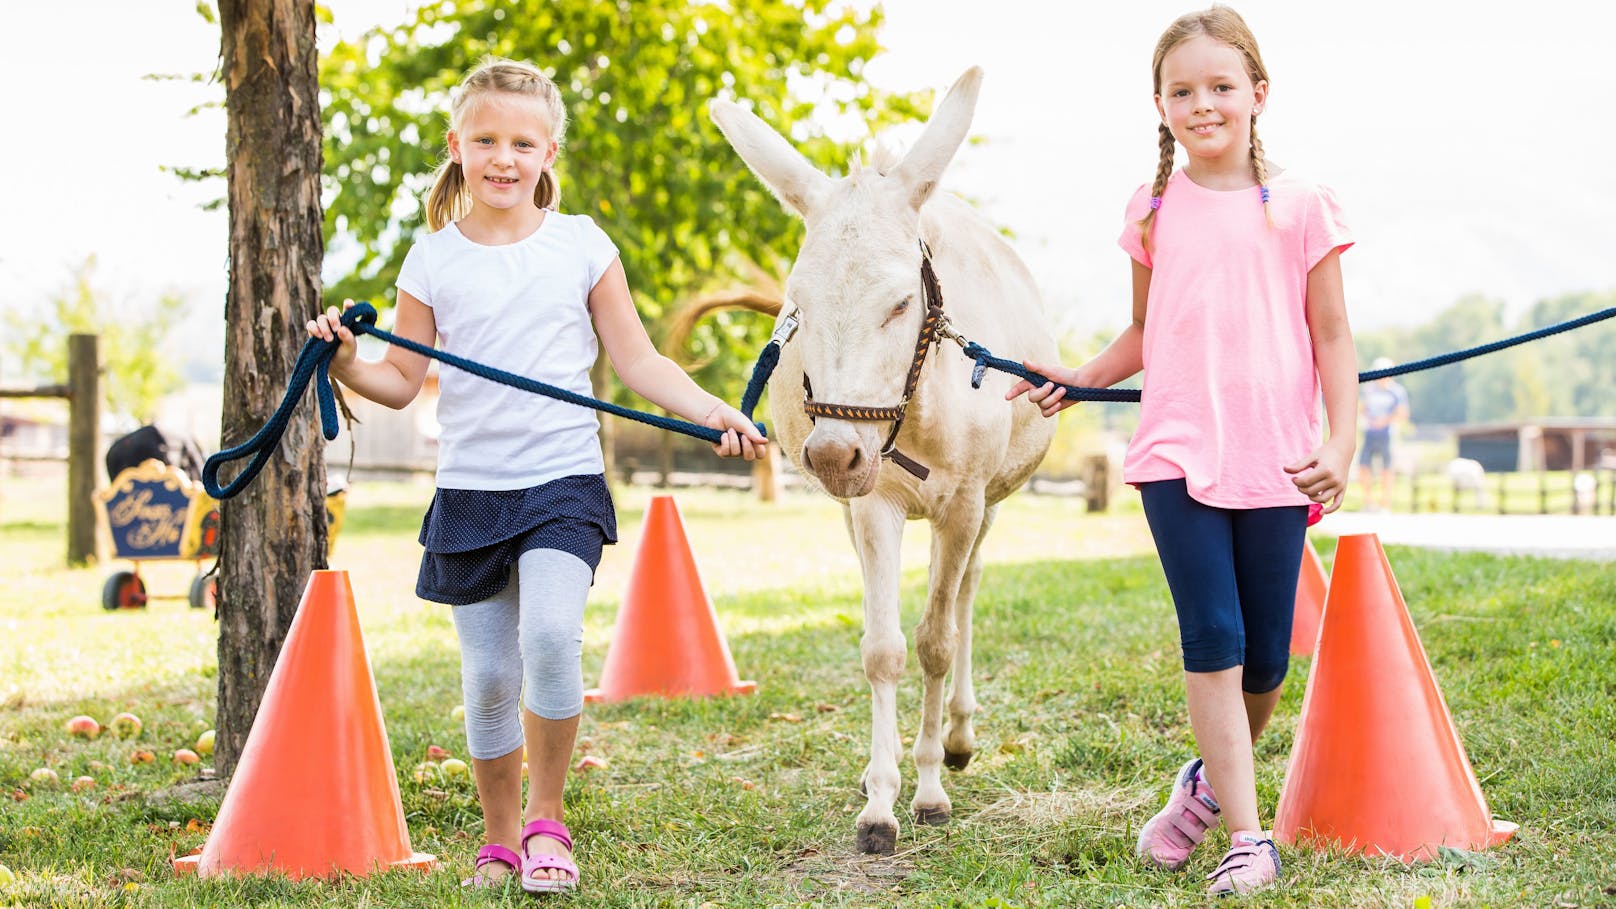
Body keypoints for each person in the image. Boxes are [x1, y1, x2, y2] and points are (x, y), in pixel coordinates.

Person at [306, 58, 766, 894]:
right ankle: (499, 836)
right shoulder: (431, 259)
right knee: (487, 676)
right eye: (485, 139)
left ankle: (549, 818)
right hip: (472, 489)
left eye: (522, 141)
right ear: (456, 146)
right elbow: (401, 382)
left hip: (562, 480)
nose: (502, 157)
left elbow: (638, 360)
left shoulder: (582, 244)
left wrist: (712, 412)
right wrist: (343, 361)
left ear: (549, 152)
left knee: (551, 638)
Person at [1006, 6, 1357, 895]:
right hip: (1176, 451)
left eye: (1220, 87)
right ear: (1160, 106)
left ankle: (1202, 789)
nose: (1202, 104)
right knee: (1213, 635)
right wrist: (1081, 376)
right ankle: (1250, 838)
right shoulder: (1153, 207)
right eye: (1182, 91)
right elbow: (1143, 328)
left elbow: (1334, 336)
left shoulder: (1304, 205)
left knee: (1268, 661)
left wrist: (1341, 441)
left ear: (1257, 96)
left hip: (1276, 457)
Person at [1358, 357, 1409, 511]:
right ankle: (1368, 501)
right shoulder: (1369, 390)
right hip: (1370, 432)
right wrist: (1370, 420)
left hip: (1387, 433)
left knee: (1387, 468)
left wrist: (1385, 420)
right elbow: (1362, 409)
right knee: (1364, 465)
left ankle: (1385, 503)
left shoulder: (1397, 392)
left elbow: (1402, 413)